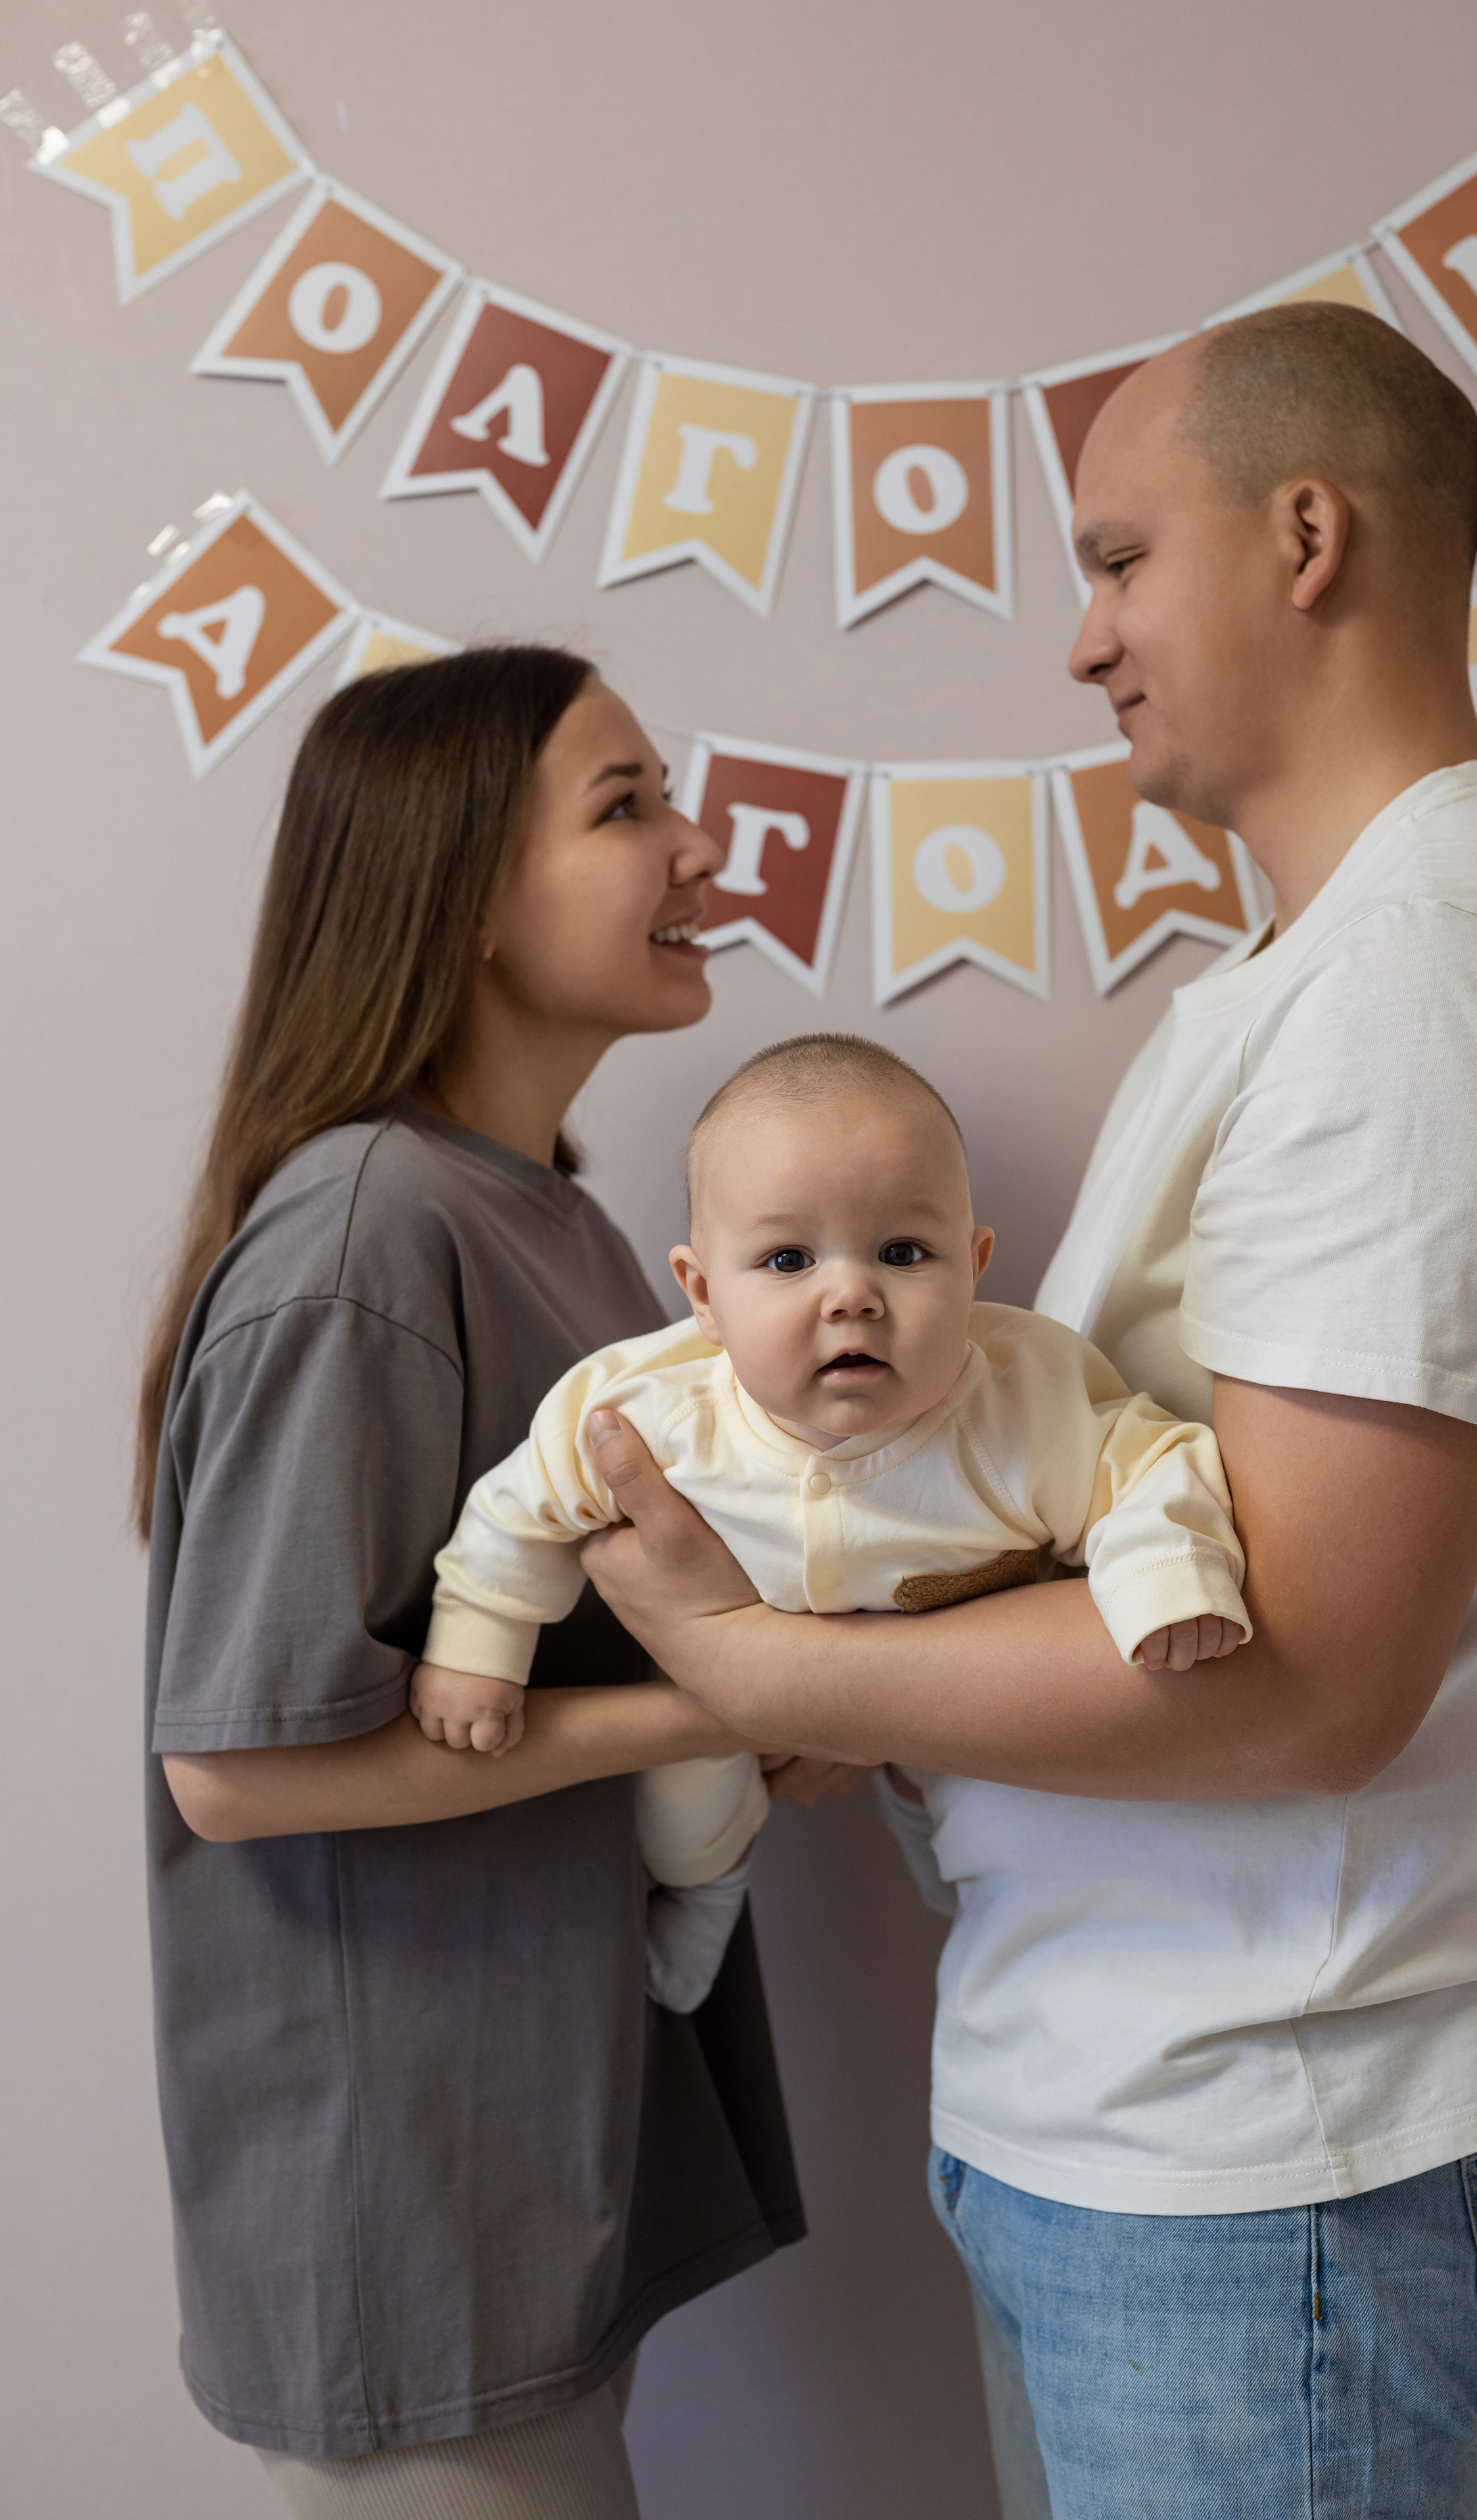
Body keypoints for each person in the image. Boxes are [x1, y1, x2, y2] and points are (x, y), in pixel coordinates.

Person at [565, 303, 1477, 2519]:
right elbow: (1128, 1536)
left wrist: (762, 1659)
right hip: (1154, 2132)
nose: (1081, 641)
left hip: (1276, 2168)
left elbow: (1313, 1678)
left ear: (1303, 537)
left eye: (1114, 560)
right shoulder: (1305, 984)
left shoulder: (1421, 1002)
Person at [139, 647, 820, 2520]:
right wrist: (724, 1708)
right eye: (627, 807)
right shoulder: (372, 1232)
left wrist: (780, 1724)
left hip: (526, 2177)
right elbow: (241, 1763)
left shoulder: (554, 1214)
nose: (699, 847)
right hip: (401, 2227)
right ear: (467, 895)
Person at [410, 1031, 1249, 2009]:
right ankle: (708, 1893)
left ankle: (954, 1862)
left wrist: (1165, 1581)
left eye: (903, 1252)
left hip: (958, 1682)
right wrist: (479, 1645)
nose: (851, 1294)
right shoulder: (653, 1410)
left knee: (995, 1804)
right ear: (703, 1294)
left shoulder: (1023, 1399)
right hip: (724, 1701)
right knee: (683, 1818)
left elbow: (1148, 1463)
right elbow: (521, 1507)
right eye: (786, 1258)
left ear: (974, 1267)